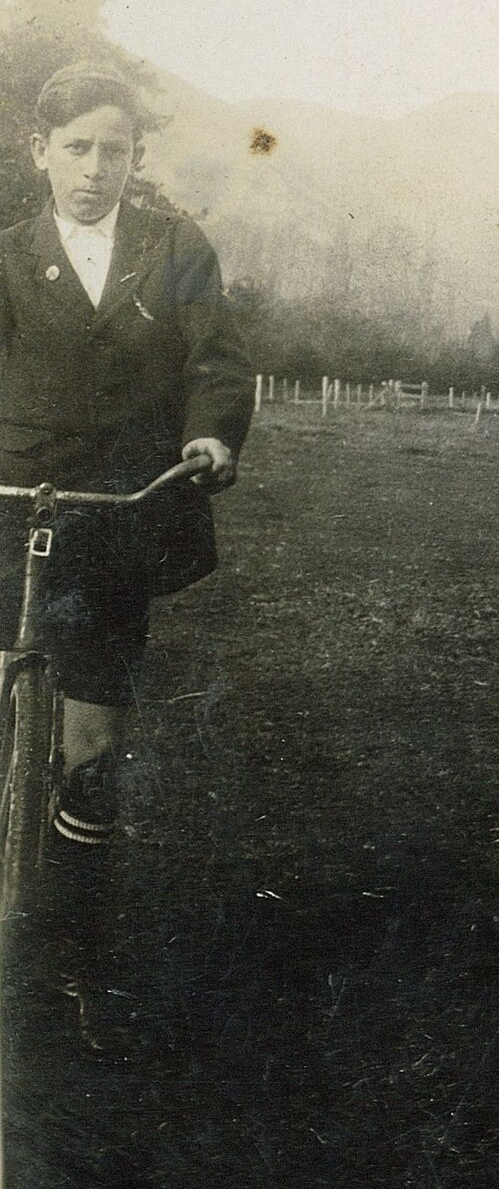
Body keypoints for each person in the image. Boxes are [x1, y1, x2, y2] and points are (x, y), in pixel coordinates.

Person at [0, 60, 254, 1043]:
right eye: (76, 148)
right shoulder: (10, 254)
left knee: (92, 746)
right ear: (39, 151)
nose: (95, 169)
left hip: (118, 511)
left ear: (135, 157)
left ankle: (73, 956)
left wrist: (211, 436)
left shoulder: (174, 246)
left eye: (114, 150)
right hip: (12, 504)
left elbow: (217, 361)